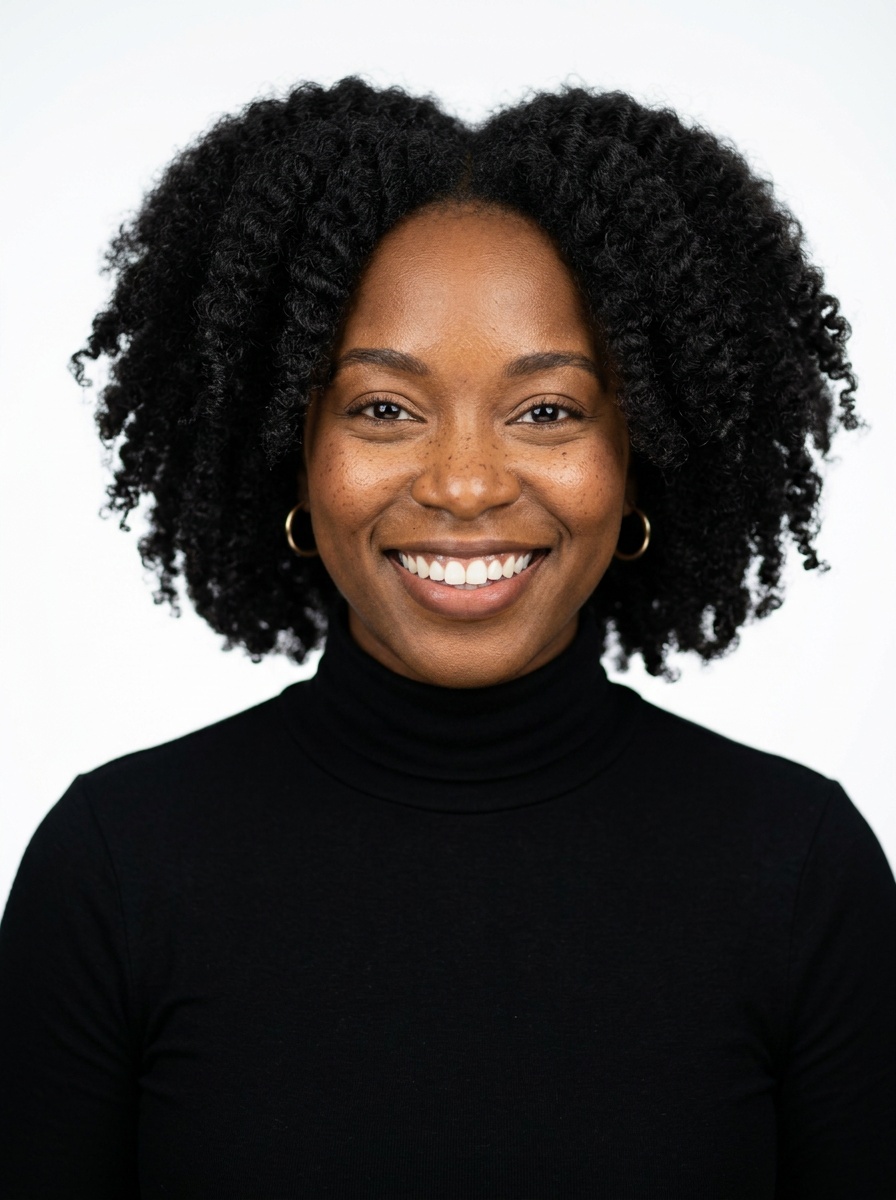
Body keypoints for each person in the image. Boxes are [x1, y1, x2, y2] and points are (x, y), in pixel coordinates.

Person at [0, 77, 893, 1198]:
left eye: (547, 410)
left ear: (641, 456)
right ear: (289, 447)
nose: (464, 484)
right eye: (382, 408)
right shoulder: (113, 867)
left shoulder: (799, 869)